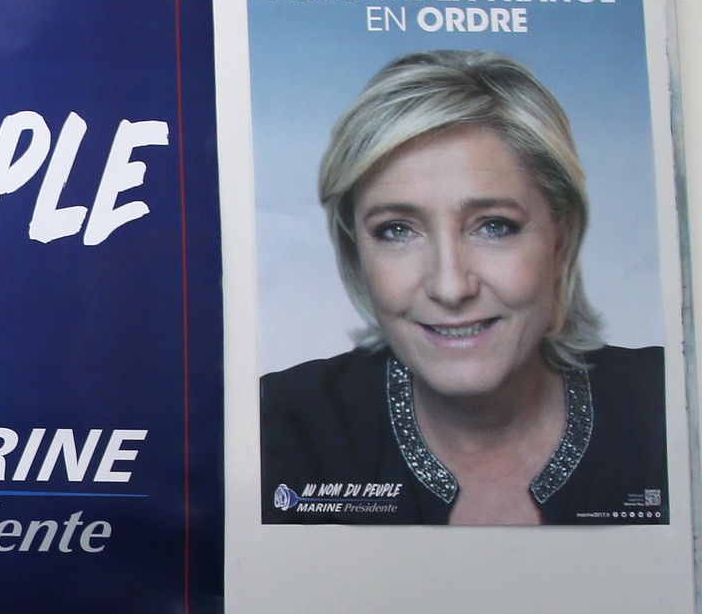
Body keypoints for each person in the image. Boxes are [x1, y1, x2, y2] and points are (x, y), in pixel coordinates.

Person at [261, 50, 669, 526]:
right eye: (397, 230)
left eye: (494, 226)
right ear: (357, 253)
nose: (450, 287)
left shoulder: (670, 404)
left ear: (561, 238)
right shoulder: (284, 425)